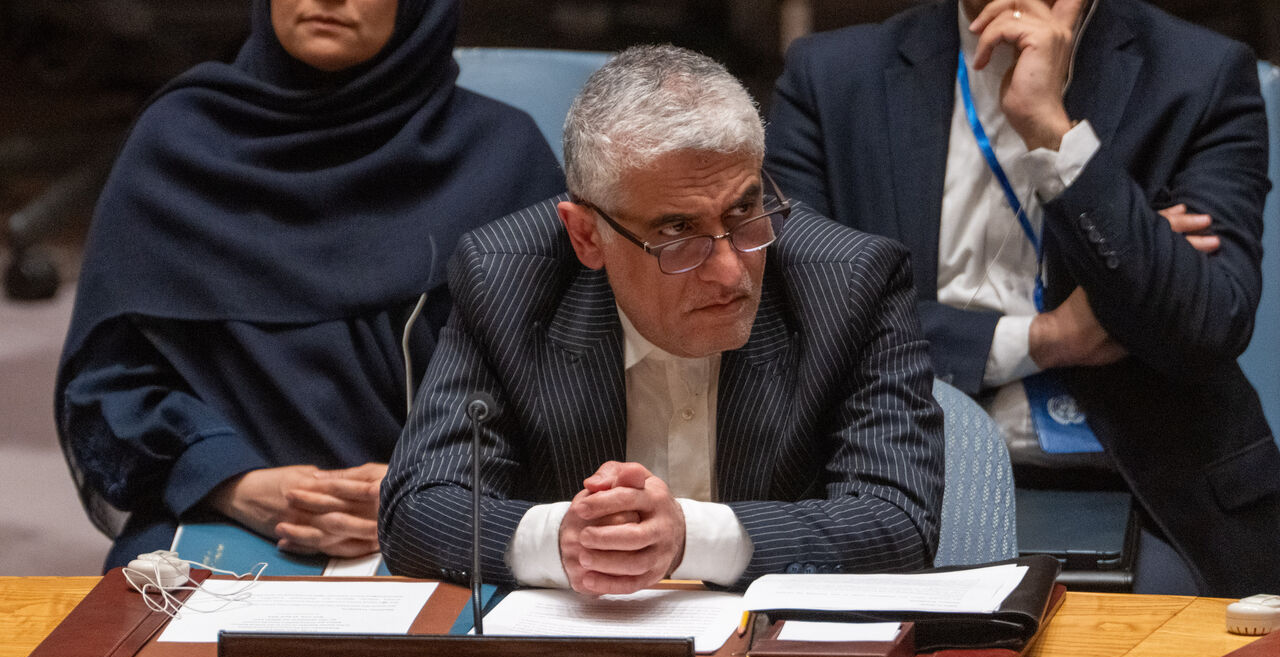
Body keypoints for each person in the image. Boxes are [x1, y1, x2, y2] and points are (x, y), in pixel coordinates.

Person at [379, 44, 944, 595]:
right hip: (584, 651)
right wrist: (562, 540)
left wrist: (685, 537)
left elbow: (897, 521)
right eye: (677, 232)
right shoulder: (506, 280)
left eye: (744, 210)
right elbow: (417, 509)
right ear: (586, 235)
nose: (730, 272)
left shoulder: (850, 284)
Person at [764, 0, 1280, 596]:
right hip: (898, 478)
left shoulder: (1198, 74)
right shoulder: (832, 77)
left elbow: (1209, 322)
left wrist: (1053, 133)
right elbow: (802, 320)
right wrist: (1046, 339)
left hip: (1146, 489)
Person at [56, 0, 565, 572]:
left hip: (454, 519)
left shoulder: (502, 155)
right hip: (220, 518)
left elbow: (562, 383)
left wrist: (431, 493)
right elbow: (106, 388)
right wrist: (231, 480)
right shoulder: (177, 144)